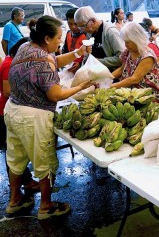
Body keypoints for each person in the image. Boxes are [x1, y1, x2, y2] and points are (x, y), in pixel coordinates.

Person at [4, 16, 95, 219]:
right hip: (33, 117)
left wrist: (77, 53)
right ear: (47, 38)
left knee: (16, 159)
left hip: (13, 111)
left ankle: (14, 201)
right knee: (44, 161)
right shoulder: (43, 60)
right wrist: (81, 87)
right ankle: (46, 207)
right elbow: (55, 95)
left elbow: (54, 60)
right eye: (58, 38)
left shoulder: (26, 48)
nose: (60, 42)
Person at [0, 37, 39, 192]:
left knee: (16, 151)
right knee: (15, 152)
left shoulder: (12, 62)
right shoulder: (9, 64)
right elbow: (8, 90)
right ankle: (22, 184)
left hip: (10, 109)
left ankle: (23, 181)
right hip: (5, 112)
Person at [110, 22, 159, 101]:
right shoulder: (129, 51)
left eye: (128, 42)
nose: (126, 45)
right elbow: (122, 69)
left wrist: (110, 87)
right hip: (131, 95)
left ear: (136, 39)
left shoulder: (147, 56)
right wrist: (106, 79)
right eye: (125, 42)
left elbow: (135, 79)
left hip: (148, 98)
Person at [61, 8, 87, 74]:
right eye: (70, 24)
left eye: (76, 24)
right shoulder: (68, 34)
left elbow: (93, 56)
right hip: (70, 70)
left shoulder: (87, 35)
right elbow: (65, 51)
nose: (73, 27)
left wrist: (80, 63)